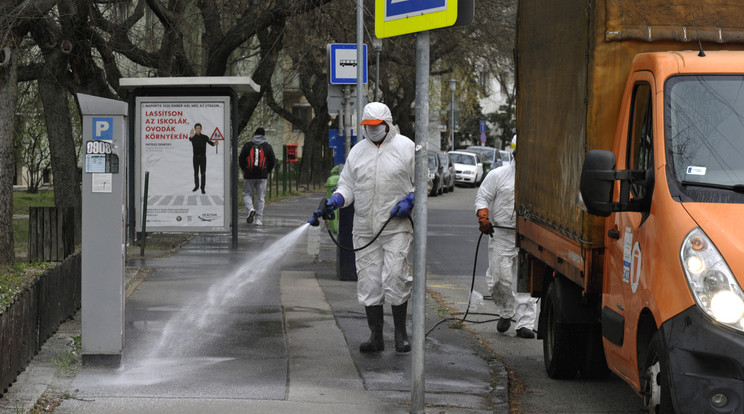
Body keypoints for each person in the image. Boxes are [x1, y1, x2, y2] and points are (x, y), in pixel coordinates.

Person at [308, 102, 415, 353]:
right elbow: (347, 186)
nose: (372, 130)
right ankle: (376, 336)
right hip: (365, 229)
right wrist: (336, 200)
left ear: (387, 124)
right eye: (367, 126)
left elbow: (422, 182)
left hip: (395, 227)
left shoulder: (406, 148)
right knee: (369, 282)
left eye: (376, 126)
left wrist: (410, 200)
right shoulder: (358, 152)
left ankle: (400, 334)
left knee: (395, 277)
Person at [474, 138, 537, 339]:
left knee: (526, 281)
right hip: (501, 234)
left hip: (529, 236)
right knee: (499, 279)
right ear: (514, 153)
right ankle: (506, 312)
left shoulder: (539, 179)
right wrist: (483, 217)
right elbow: (483, 196)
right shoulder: (498, 175)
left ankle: (525, 324)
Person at [239, 127, 276, 226]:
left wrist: (245, 170)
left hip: (249, 175)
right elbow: (273, 160)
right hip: (262, 176)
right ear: (264, 135)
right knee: (261, 198)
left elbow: (241, 159)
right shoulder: (267, 146)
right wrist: (267, 171)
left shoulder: (248, 145)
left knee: (247, 194)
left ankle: (251, 209)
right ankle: (258, 219)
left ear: (254, 134)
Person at [189, 123, 218, 194]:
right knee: (196, 173)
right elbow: (190, 138)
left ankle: (202, 188)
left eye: (199, 128)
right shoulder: (192, 137)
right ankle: (196, 186)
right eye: (196, 128)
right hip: (195, 157)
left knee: (203, 173)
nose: (198, 129)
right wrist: (191, 137)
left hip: (203, 158)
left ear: (201, 129)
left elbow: (211, 143)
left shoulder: (205, 137)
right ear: (195, 129)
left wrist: (214, 143)